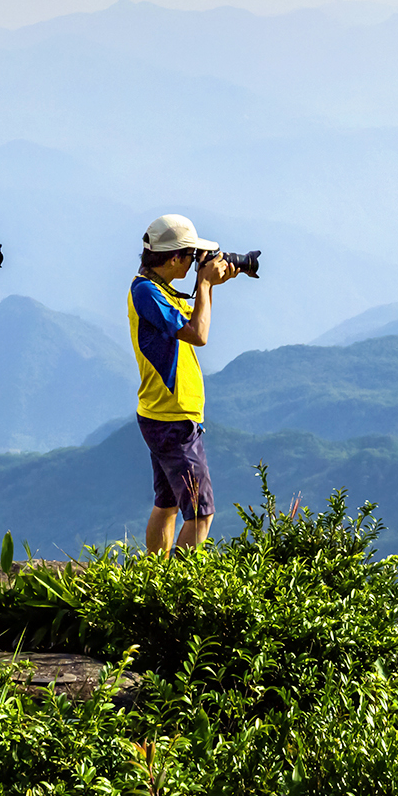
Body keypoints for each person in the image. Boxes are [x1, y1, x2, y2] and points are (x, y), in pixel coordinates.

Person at [127, 213, 240, 555]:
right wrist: (204, 286)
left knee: (168, 503)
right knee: (201, 513)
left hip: (165, 414)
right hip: (171, 419)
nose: (194, 263)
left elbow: (191, 324)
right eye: (191, 257)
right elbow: (198, 334)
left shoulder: (157, 287)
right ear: (174, 257)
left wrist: (208, 285)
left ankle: (153, 576)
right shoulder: (147, 292)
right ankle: (175, 590)